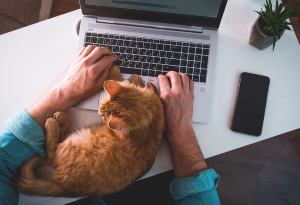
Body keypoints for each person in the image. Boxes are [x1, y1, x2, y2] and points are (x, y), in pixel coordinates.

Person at [0, 46, 220, 205]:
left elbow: (3, 162)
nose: (104, 120)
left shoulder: (126, 124)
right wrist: (181, 129)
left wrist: (65, 93)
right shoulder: (141, 118)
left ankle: (53, 150)